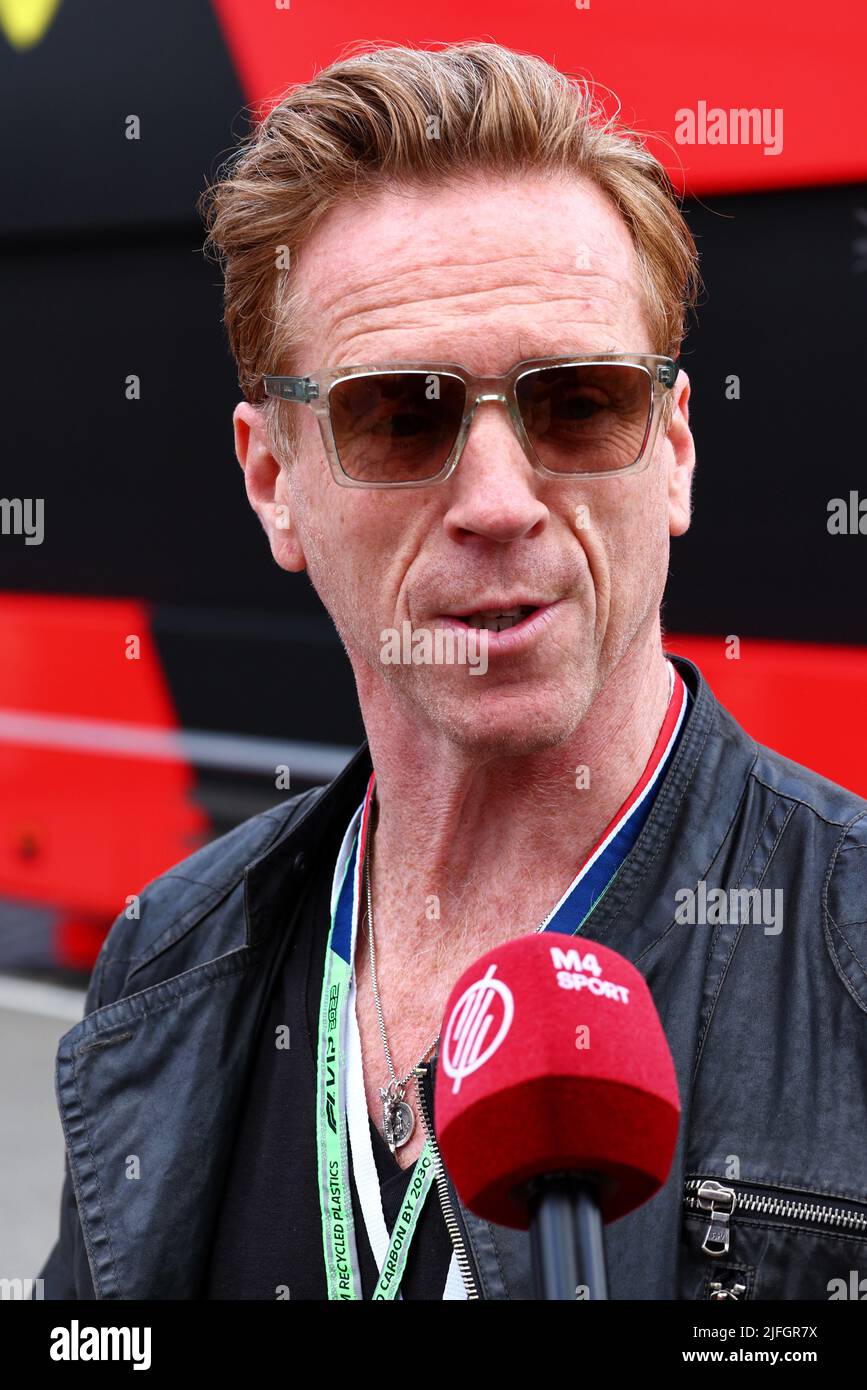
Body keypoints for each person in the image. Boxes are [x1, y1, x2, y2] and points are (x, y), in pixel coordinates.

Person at [39, 41, 867, 1301]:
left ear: (676, 451)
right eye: (401, 416)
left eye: (579, 402)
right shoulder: (172, 954)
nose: (496, 501)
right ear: (276, 482)